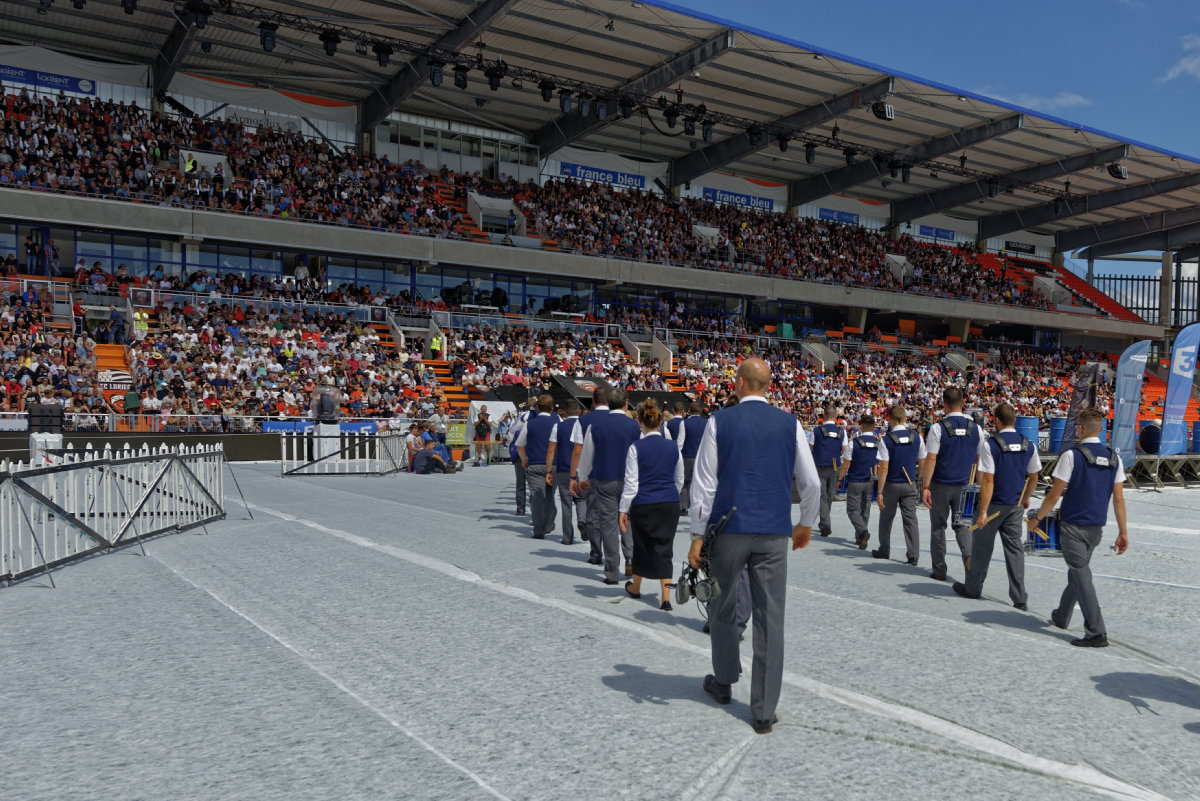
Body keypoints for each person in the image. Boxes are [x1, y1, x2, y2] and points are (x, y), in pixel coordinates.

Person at [689, 358, 821, 735]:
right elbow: (811, 483)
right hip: (773, 533)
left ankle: (725, 679)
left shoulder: (720, 421)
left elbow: (704, 485)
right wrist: (805, 524)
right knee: (770, 618)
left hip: (729, 529)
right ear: (767, 386)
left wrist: (698, 534)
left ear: (740, 383)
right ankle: (763, 709)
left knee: (723, 606)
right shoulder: (790, 423)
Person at [1030, 408, 1128, 647]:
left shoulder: (1071, 455)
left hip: (1073, 525)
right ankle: (1062, 616)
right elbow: (1118, 498)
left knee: (1082, 575)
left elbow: (1054, 494)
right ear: (1101, 429)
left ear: (1081, 429)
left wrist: (1038, 518)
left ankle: (1096, 631)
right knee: (1078, 572)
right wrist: (1123, 532)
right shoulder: (1114, 458)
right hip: (1096, 527)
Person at [953, 403, 1040, 609]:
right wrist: (1026, 497)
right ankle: (1020, 598)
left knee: (982, 548)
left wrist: (982, 512)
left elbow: (988, 481)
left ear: (997, 421)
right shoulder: (1029, 444)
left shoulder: (991, 444)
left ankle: (973, 588)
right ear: (1015, 421)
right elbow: (1034, 476)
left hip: (994, 505)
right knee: (1014, 550)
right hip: (1016, 505)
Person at [619, 398, 684, 610]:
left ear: (640, 422)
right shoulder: (673, 447)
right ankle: (666, 597)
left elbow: (631, 483)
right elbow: (679, 479)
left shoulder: (635, 447)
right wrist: (670, 493)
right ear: (661, 422)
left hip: (644, 502)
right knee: (665, 548)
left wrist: (623, 508)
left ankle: (636, 587)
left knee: (642, 545)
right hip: (669, 503)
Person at [574, 388, 641, 585]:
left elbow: (587, 455)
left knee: (609, 524)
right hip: (629, 479)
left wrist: (583, 476)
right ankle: (630, 556)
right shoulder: (634, 426)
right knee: (627, 518)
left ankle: (612, 570)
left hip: (605, 480)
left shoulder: (595, 425)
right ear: (625, 404)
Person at [920, 387, 984, 581]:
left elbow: (931, 459)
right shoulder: (977, 429)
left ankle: (939, 570)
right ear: (963, 403)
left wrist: (925, 486)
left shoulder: (938, 428)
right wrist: (978, 488)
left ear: (944, 405)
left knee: (938, 527)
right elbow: (980, 461)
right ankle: (969, 558)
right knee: (963, 527)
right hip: (965, 484)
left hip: (941, 483)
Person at [872, 404, 927, 565]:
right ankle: (913, 556)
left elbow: (883, 469)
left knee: (886, 519)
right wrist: (918, 478)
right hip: (910, 483)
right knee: (911, 521)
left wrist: (880, 491)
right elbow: (922, 460)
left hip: (891, 485)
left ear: (889, 419)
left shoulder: (886, 440)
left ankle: (884, 550)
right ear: (905, 419)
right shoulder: (916, 437)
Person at [571, 386, 610, 563]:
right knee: (612, 516)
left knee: (593, 515)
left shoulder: (583, 420)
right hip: (615, 473)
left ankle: (596, 553)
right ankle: (617, 555)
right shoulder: (618, 418)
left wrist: (575, 476)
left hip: (592, 474)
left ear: (593, 401)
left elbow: (578, 449)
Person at [517, 394, 560, 539]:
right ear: (552, 408)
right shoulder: (558, 421)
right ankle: (549, 523)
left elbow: (520, 445)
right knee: (550, 496)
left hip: (534, 464)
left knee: (536, 497)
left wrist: (524, 459)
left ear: (537, 408)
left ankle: (538, 529)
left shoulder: (529, 424)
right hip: (553, 465)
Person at [836, 414, 879, 550]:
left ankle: (862, 532)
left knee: (852, 509)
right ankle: (860, 537)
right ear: (874, 428)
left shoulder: (853, 443)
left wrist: (839, 478)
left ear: (861, 427)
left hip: (855, 480)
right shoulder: (879, 443)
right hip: (870, 480)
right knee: (865, 509)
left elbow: (845, 464)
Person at [546, 399, 583, 544]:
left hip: (563, 469)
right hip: (582, 469)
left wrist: (549, 470)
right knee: (582, 499)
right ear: (579, 412)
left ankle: (567, 537)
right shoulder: (585, 425)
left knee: (566, 504)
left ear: (565, 412)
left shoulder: (558, 426)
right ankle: (583, 520)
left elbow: (551, 449)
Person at [808, 402, 845, 537]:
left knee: (822, 496)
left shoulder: (816, 431)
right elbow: (843, 449)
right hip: (834, 466)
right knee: (828, 495)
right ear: (836, 416)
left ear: (823, 415)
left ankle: (825, 524)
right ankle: (825, 522)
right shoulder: (842, 431)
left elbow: (810, 447)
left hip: (819, 465)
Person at [507, 400, 535, 515]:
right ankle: (535, 511)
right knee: (534, 485)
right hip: (533, 453)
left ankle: (520, 509)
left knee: (520, 483)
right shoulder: (541, 417)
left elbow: (511, 432)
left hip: (521, 452)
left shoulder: (523, 417)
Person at [679, 401, 707, 512]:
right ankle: (698, 504)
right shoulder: (707, 423)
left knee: (685, 482)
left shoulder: (684, 423)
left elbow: (680, 442)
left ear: (689, 410)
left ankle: (685, 506)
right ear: (700, 411)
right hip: (701, 457)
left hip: (687, 456)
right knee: (700, 482)